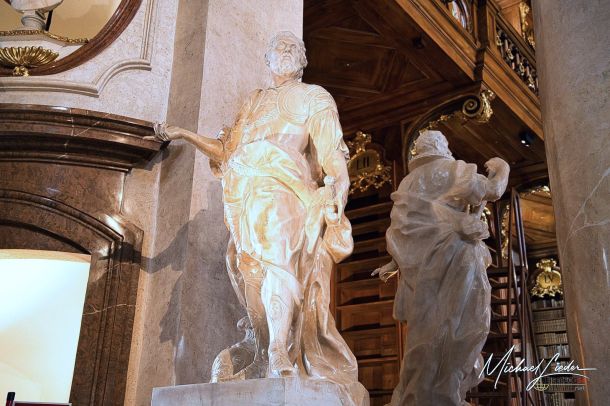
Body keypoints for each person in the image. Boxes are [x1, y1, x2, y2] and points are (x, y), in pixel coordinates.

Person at [149, 31, 358, 385]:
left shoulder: (314, 97)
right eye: (279, 47)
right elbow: (227, 150)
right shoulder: (254, 101)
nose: (286, 51)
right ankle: (263, 349)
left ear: (304, 60)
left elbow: (331, 151)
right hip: (242, 195)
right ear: (267, 59)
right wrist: (184, 134)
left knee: (278, 260)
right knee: (249, 269)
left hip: (285, 188)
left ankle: (278, 349)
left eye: (293, 48)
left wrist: (340, 184)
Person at [373, 130, 510, 405]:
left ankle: (417, 394)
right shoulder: (454, 170)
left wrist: (396, 262)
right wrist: (503, 168)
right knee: (462, 323)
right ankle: (446, 394)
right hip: (457, 256)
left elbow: (402, 230)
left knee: (425, 329)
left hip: (422, 267)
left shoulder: (408, 183)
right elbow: (493, 190)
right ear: (443, 147)